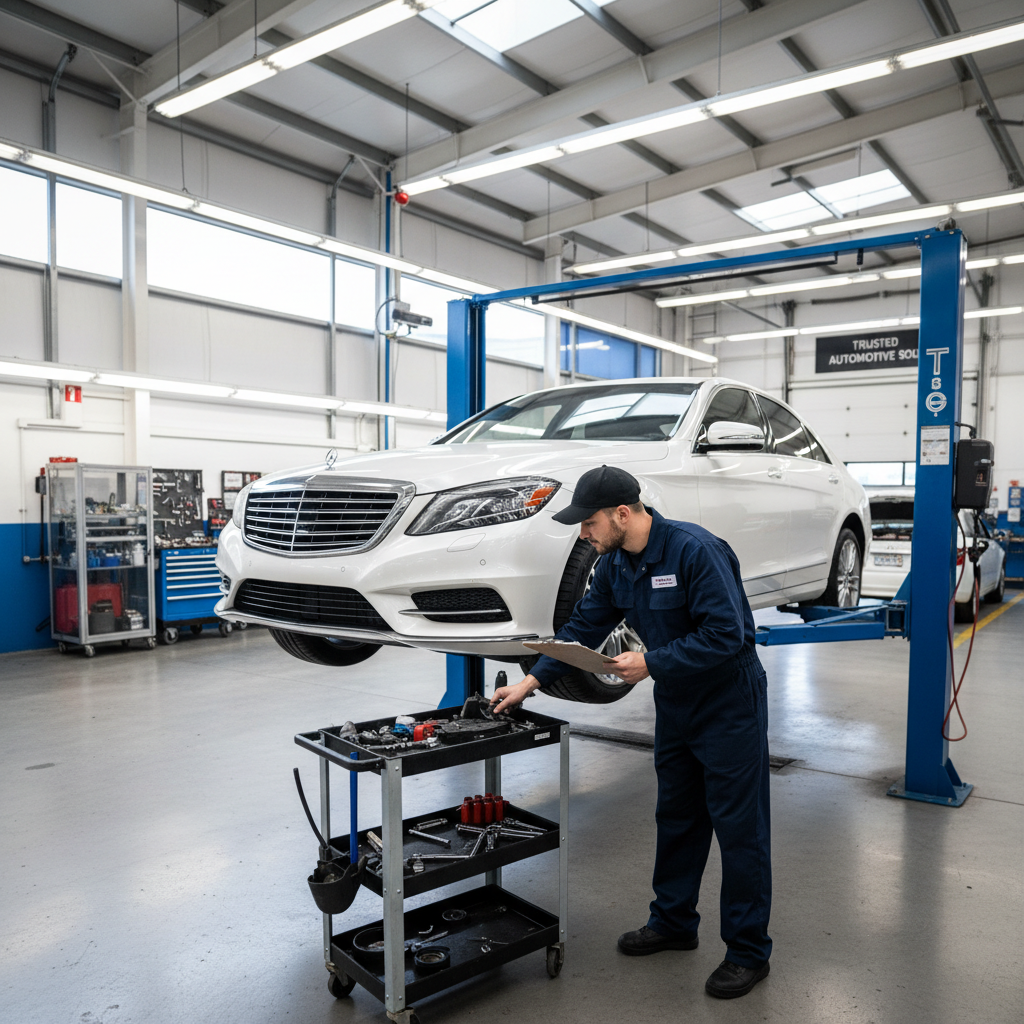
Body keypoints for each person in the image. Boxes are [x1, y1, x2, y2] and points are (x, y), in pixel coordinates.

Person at [491, 465, 772, 999]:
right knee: (678, 817)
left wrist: (651, 663)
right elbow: (584, 625)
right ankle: (673, 922)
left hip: (728, 701)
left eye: (588, 522)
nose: (583, 534)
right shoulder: (616, 563)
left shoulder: (694, 550)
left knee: (740, 830)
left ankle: (748, 952)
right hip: (678, 704)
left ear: (623, 513)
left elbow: (726, 636)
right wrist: (530, 681)